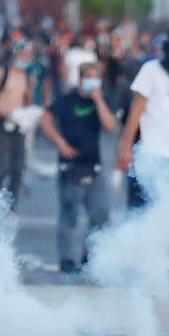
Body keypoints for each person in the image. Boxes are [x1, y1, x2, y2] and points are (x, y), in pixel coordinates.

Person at [40, 63, 116, 273]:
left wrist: (98, 99)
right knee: (69, 215)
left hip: (94, 166)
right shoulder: (67, 100)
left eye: (96, 76)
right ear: (81, 78)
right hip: (70, 167)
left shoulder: (101, 101)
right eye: (89, 76)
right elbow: (45, 119)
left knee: (100, 214)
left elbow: (110, 127)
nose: (93, 80)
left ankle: (89, 255)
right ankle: (66, 259)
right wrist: (60, 143)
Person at [117, 23, 169, 209]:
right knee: (139, 215)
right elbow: (136, 110)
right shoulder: (151, 69)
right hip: (150, 155)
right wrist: (125, 147)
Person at [0, 39, 34, 210]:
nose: (26, 59)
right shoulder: (2, 73)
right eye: (24, 55)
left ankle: (11, 204)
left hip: (19, 124)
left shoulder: (27, 77)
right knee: (1, 166)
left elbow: (27, 102)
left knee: (18, 167)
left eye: (29, 56)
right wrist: (2, 113)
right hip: (2, 122)